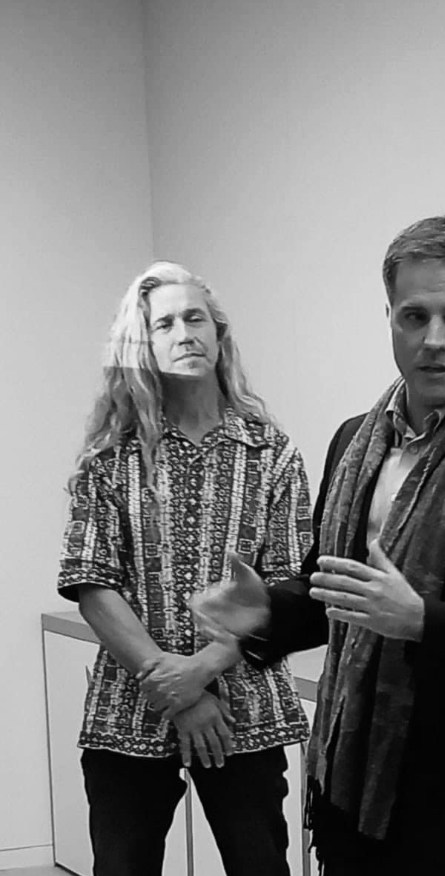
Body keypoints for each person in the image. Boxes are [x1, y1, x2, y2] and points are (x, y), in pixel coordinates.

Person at [194, 216, 445, 876]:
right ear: (389, 318)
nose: (434, 340)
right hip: (352, 799)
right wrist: (267, 610)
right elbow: (335, 594)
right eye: (414, 316)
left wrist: (422, 621)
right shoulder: (355, 442)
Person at [57, 262, 311, 876]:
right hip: (131, 703)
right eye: (164, 324)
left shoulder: (271, 453)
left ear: (219, 333)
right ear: (142, 346)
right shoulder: (111, 457)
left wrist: (201, 670)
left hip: (245, 704)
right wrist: (173, 687)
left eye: (195, 318)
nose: (184, 333)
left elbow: (287, 584)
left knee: (261, 865)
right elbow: (92, 583)